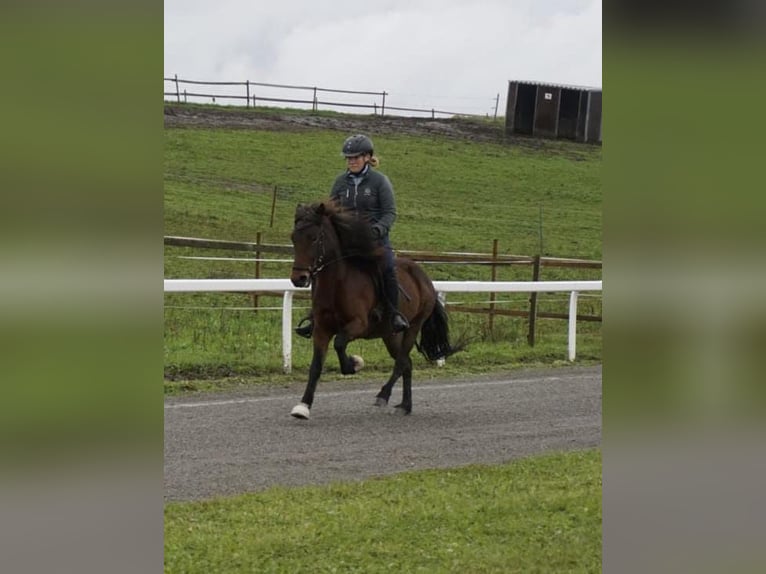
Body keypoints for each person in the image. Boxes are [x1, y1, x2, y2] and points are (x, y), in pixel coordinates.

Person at [295, 134, 410, 338]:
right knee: (322, 268)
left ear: (367, 157)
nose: (352, 161)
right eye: (349, 158)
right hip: (346, 242)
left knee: (388, 267)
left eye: (356, 157)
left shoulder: (380, 181)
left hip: (374, 241)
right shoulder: (340, 182)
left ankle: (393, 314)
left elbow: (389, 213)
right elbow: (330, 211)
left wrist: (377, 230)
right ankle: (314, 317)